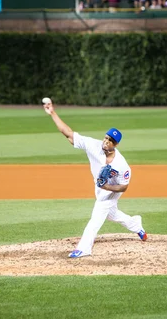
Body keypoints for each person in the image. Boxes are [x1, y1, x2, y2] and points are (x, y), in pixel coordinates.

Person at [42, 99, 147, 258]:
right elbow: (69, 134)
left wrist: (106, 188)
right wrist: (52, 113)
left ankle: (84, 248)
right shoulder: (94, 145)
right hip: (101, 189)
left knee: (97, 215)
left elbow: (124, 187)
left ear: (115, 145)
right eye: (106, 137)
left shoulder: (122, 165)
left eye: (110, 140)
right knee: (112, 214)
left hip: (111, 191)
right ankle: (136, 225)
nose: (106, 141)